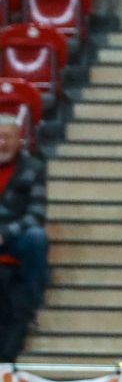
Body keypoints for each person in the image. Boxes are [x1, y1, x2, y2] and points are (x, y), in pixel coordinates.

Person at [0, 114, 46, 361]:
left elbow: (36, 213)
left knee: (36, 237)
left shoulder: (33, 168)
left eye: (7, 137)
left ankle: (32, 305)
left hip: (15, 234)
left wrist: (5, 234)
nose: (2, 143)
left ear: (19, 140)